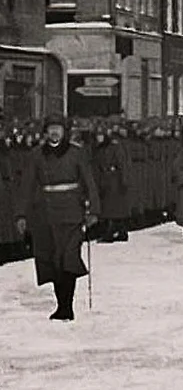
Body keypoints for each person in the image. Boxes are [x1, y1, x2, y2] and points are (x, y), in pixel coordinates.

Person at [14, 115, 101, 321]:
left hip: (71, 214)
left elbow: (89, 182)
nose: (54, 132)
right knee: (52, 260)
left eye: (58, 128)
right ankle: (61, 304)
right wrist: (20, 214)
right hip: (45, 215)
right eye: (51, 128)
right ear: (46, 132)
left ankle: (67, 307)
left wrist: (94, 210)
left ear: (64, 131)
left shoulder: (77, 153)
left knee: (68, 258)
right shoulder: (36, 155)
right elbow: (26, 186)